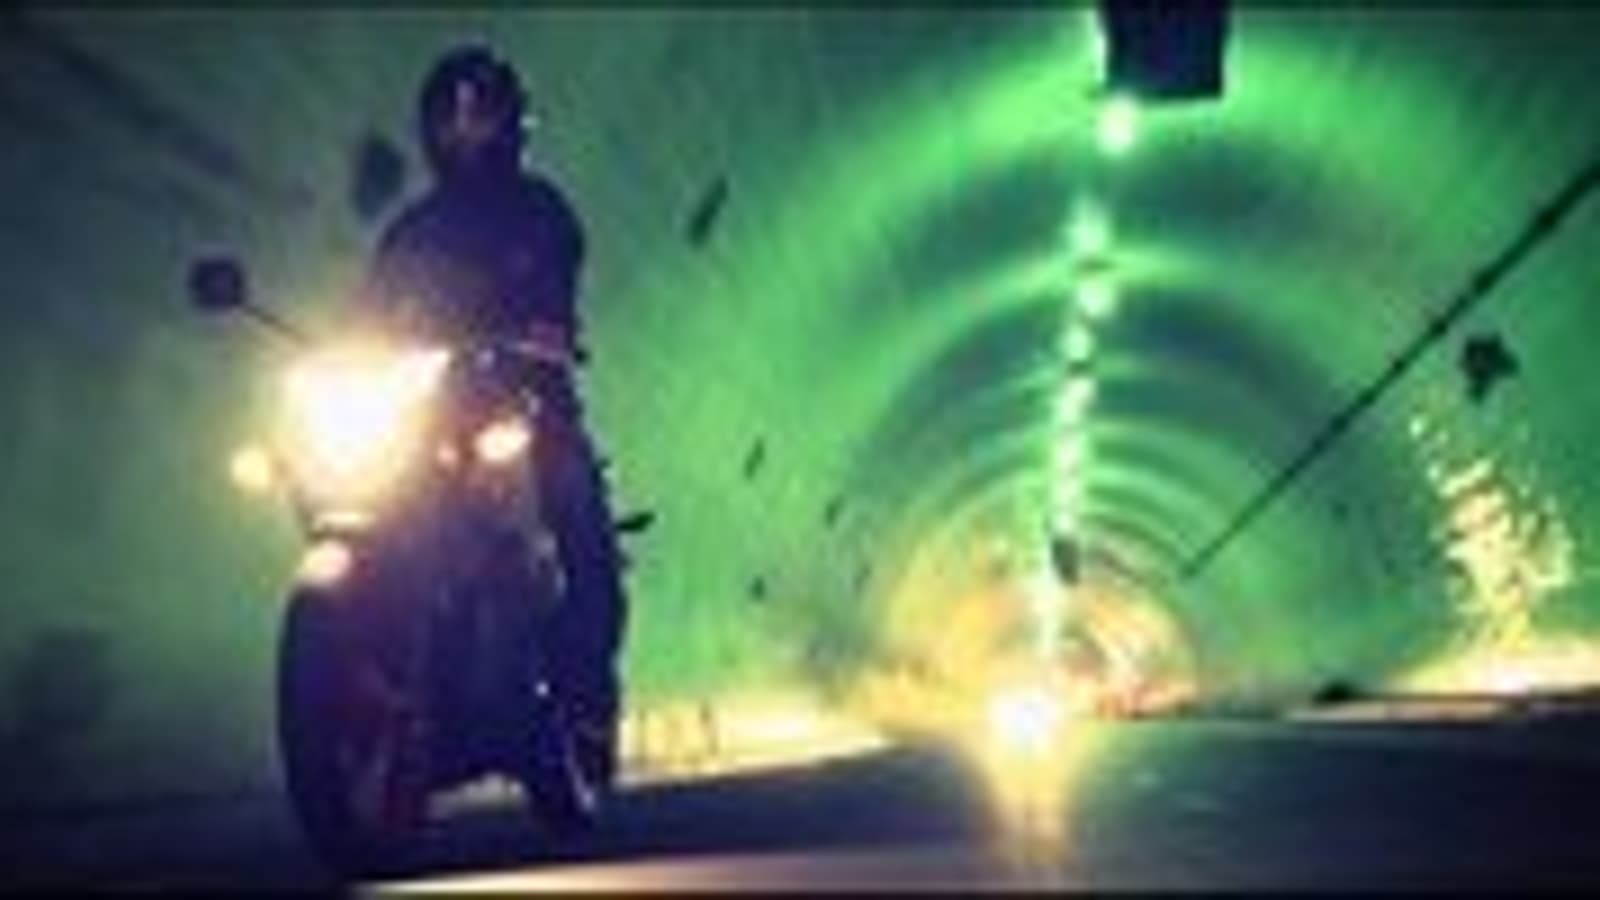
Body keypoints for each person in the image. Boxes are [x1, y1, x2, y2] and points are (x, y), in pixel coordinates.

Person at [353, 44, 626, 813]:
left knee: (578, 519)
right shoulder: (412, 232)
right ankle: (393, 679)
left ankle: (585, 703)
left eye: (481, 114)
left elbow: (556, 284)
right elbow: (367, 312)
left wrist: (545, 328)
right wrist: (338, 351)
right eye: (453, 116)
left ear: (512, 123)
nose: (467, 131)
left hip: (528, 402)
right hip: (430, 415)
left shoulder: (542, 212)